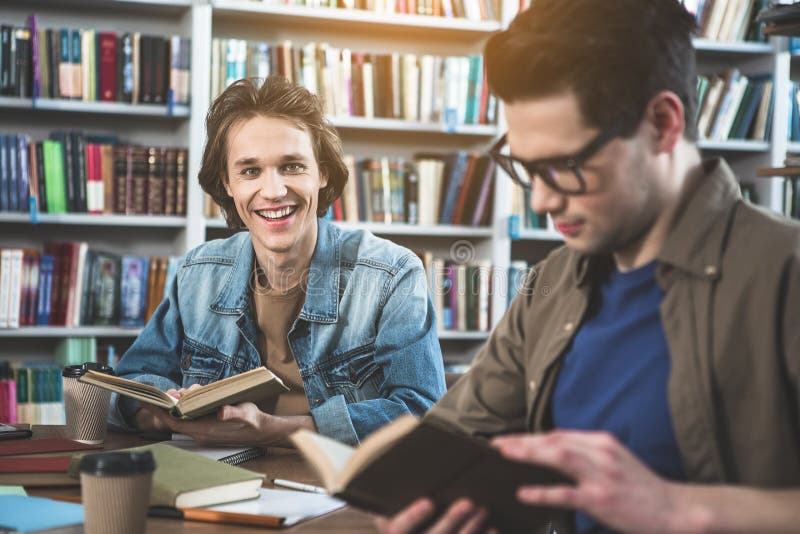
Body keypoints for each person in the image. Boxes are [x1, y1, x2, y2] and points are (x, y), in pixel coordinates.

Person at [377, 1, 800, 532]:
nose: (541, 202)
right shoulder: (553, 281)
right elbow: (458, 436)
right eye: (528, 169)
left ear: (663, 124)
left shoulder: (785, 273)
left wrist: (677, 509)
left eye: (566, 166)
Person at [108, 76, 446, 447]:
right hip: (222, 479)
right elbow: (131, 384)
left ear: (323, 173)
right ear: (228, 183)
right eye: (250, 171)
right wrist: (162, 412)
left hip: (340, 488)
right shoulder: (196, 273)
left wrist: (276, 430)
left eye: (292, 166)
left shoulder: (393, 275)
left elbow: (421, 413)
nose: (273, 191)